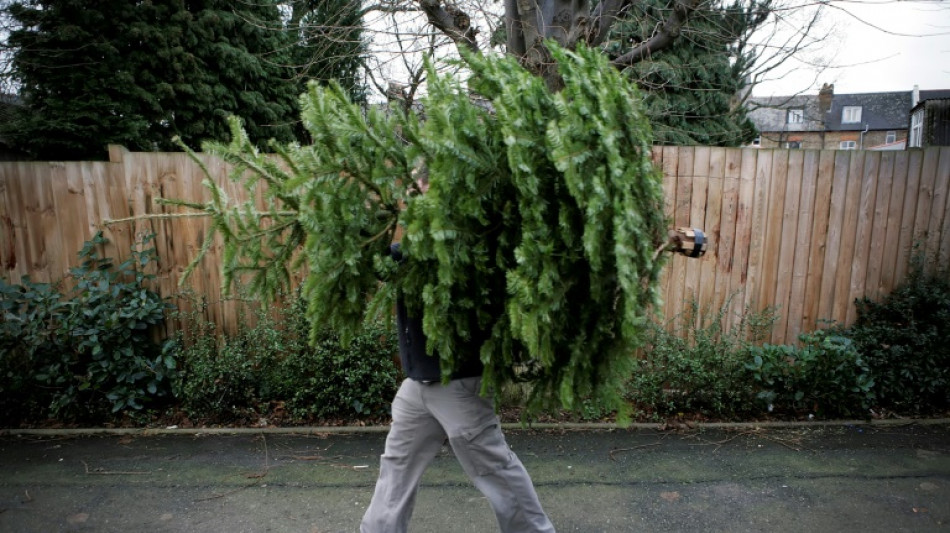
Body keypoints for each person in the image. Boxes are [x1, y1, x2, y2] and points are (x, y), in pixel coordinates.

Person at [359, 243, 556, 533]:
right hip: (418, 383)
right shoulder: (413, 246)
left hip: (458, 382)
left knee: (494, 468)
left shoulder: (462, 239)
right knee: (397, 465)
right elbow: (380, 264)